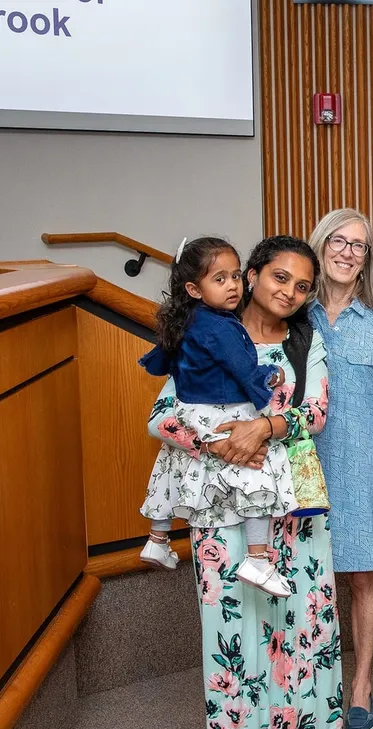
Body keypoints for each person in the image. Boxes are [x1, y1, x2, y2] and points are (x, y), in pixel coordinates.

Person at [146, 235, 353, 729]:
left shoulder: (306, 343)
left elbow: (315, 412)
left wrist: (264, 427)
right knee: (234, 627)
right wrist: (221, 442)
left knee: (300, 625)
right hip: (221, 505)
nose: (289, 292)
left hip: (294, 504)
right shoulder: (207, 334)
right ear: (253, 275)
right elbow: (163, 417)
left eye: (303, 286)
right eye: (279, 277)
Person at [139, 236, 305, 598]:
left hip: (191, 411)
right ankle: (258, 559)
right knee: (257, 473)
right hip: (223, 413)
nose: (232, 285)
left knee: (168, 463)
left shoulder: (187, 321)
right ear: (194, 289)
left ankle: (157, 536)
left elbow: (165, 360)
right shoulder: (221, 327)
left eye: (233, 276)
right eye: (220, 279)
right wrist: (268, 386)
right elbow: (245, 371)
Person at [307, 208, 373, 729]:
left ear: (368, 259)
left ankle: (361, 684)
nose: (348, 252)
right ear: (321, 247)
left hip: (365, 466)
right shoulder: (296, 315)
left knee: (363, 577)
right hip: (301, 464)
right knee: (308, 576)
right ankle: (312, 681)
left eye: (359, 246)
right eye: (339, 242)